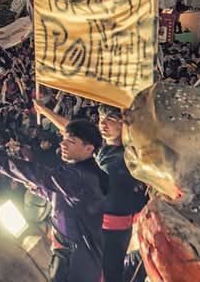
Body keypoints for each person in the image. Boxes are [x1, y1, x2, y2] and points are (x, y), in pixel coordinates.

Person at [0, 120, 108, 282]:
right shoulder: (81, 171)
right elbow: (62, 196)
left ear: (89, 149)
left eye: (71, 141)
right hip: (71, 249)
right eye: (64, 138)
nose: (63, 144)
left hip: (76, 257)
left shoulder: (82, 177)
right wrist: (37, 189)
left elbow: (41, 175)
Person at [33, 102, 148, 282]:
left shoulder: (135, 154)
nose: (103, 124)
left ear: (124, 123)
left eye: (110, 119)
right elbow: (70, 130)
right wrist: (45, 111)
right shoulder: (100, 149)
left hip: (121, 224)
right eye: (101, 118)